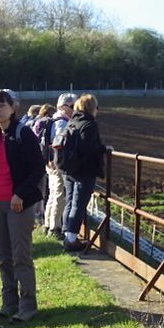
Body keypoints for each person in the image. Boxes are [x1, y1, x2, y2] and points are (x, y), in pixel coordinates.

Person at [0, 89, 45, 323]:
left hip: (18, 204)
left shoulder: (23, 133)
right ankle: (9, 303)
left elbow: (38, 169)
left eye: (2, 106)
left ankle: (28, 305)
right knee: (3, 255)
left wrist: (20, 195)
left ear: (13, 107)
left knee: (20, 255)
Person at [61, 94, 107, 252]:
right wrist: (103, 149)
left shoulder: (72, 121)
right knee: (78, 205)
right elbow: (87, 148)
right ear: (91, 108)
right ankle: (71, 240)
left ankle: (67, 235)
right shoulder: (89, 124)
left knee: (69, 202)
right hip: (84, 171)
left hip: (69, 169)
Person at [43, 94, 77, 239]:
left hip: (50, 161)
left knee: (52, 194)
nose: (75, 109)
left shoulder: (54, 119)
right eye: (72, 106)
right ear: (63, 107)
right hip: (58, 163)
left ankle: (48, 225)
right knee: (59, 195)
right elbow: (59, 142)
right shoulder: (62, 123)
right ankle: (55, 228)